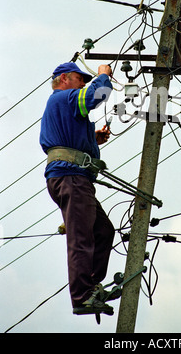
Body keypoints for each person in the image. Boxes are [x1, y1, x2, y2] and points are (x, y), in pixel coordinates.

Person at [39, 61, 118, 318]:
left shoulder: (63, 104)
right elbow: (98, 95)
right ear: (64, 79)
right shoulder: (65, 97)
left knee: (103, 231)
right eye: (79, 78)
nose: (83, 82)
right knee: (82, 238)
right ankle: (83, 296)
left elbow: (66, 138)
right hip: (71, 178)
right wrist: (103, 75)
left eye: (85, 79)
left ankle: (91, 286)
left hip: (72, 178)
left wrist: (92, 140)